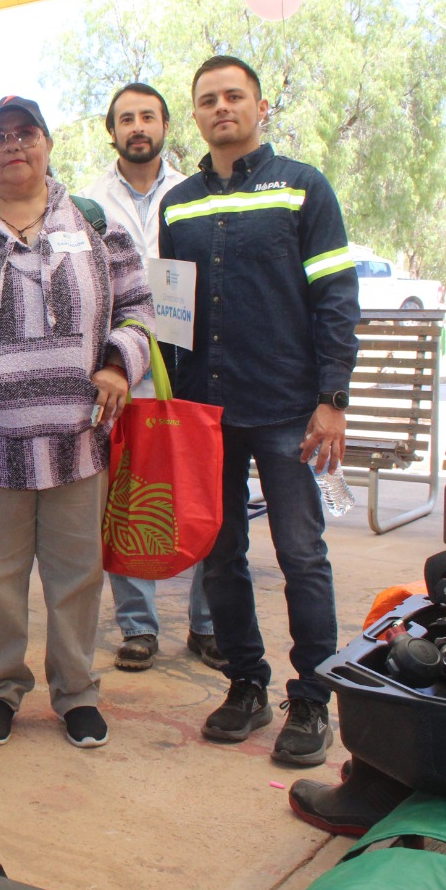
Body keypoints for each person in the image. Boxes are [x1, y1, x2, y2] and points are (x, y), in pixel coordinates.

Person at [0, 96, 153, 750]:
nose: (13, 145)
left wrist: (117, 364)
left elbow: (137, 306)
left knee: (77, 576)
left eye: (26, 133)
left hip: (78, 441)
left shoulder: (94, 222)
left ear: (47, 144)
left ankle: (77, 693)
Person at [158, 55, 359, 767]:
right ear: (195, 115)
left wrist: (331, 400)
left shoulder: (303, 187)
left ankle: (313, 698)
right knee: (219, 556)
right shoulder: (177, 204)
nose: (222, 108)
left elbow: (336, 298)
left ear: (260, 106)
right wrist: (170, 408)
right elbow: (171, 316)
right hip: (205, 415)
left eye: (234, 96)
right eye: (208, 99)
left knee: (302, 555)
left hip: (287, 409)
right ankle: (246, 684)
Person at [80, 83, 222, 674]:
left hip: (193, 360)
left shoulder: (194, 196)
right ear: (111, 131)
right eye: (126, 119)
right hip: (121, 363)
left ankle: (208, 624)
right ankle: (137, 626)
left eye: (148, 116)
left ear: (166, 125)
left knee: (202, 488)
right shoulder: (87, 204)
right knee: (131, 493)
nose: (137, 126)